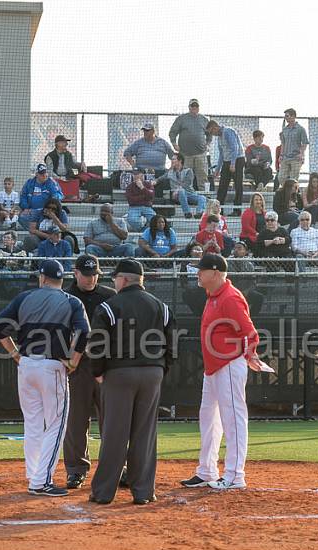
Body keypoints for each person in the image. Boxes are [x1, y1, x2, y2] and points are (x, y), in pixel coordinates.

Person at [0, 258, 91, 497]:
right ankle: (40, 481)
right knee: (56, 424)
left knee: (33, 423)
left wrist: (15, 353)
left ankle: (34, 474)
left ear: (43, 278)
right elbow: (84, 332)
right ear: (62, 278)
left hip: (26, 365)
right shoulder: (72, 301)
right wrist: (74, 361)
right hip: (52, 365)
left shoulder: (24, 297)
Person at [88, 259, 176, 505]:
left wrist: (98, 372)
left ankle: (104, 492)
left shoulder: (109, 307)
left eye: (116, 278)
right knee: (144, 434)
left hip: (119, 374)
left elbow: (97, 344)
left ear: (124, 279)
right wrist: (160, 368)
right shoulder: (162, 307)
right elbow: (172, 345)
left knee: (115, 433)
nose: (114, 282)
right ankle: (144, 492)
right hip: (152, 373)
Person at [179, 253, 261, 490]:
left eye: (201, 270)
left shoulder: (230, 297)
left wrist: (250, 353)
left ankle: (235, 475)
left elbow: (250, 332)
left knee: (233, 419)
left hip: (228, 364)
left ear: (215, 273)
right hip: (213, 368)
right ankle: (206, 471)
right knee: (209, 419)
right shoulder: (213, 295)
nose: (197, 274)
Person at [61, 254, 116, 489]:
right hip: (77, 366)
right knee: (75, 420)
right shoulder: (65, 297)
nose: (91, 279)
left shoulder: (109, 296)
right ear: (75, 273)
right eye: (86, 274)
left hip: (105, 365)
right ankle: (76, 470)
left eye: (94, 275)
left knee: (113, 421)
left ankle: (116, 468)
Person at [168, 99, 210, 190]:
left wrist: (208, 144)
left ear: (198, 108)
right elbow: (172, 132)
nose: (194, 108)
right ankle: (186, 195)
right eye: (192, 106)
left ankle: (205, 197)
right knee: (185, 176)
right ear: (189, 107)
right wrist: (174, 143)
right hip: (185, 154)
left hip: (201, 154)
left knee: (203, 176)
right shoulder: (181, 119)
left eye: (196, 106)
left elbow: (209, 133)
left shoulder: (204, 120)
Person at [207, 119, 245, 214]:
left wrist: (233, 163)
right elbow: (221, 154)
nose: (212, 134)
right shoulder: (219, 138)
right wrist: (218, 169)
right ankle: (219, 209)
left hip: (238, 159)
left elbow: (235, 147)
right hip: (226, 161)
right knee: (222, 186)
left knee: (238, 185)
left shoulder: (228, 131)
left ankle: (237, 210)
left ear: (215, 127)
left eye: (212, 131)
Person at [18, 163, 64, 234]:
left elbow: (59, 195)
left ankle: (39, 231)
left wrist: (52, 201)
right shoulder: (29, 183)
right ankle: (38, 230)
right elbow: (23, 196)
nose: (45, 176)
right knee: (21, 217)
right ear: (36, 174)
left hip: (46, 212)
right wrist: (26, 207)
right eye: (42, 174)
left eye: (45, 173)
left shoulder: (51, 182)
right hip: (32, 211)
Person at [167, 153, 207, 218]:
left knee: (202, 198)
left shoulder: (188, 171)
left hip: (189, 194)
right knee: (181, 191)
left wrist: (177, 190)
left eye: (174, 159)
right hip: (177, 196)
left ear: (180, 161)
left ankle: (199, 213)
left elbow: (186, 184)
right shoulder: (170, 172)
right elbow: (161, 178)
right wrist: (155, 181)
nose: (172, 161)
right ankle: (187, 213)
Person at [278, 108, 308, 185]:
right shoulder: (284, 129)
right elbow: (283, 143)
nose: (286, 118)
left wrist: (301, 154)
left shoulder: (300, 129)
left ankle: (293, 194)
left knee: (293, 179)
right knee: (281, 177)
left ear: (293, 116)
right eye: (285, 116)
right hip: (286, 157)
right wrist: (281, 155)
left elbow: (304, 143)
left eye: (287, 116)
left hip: (296, 158)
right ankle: (286, 192)